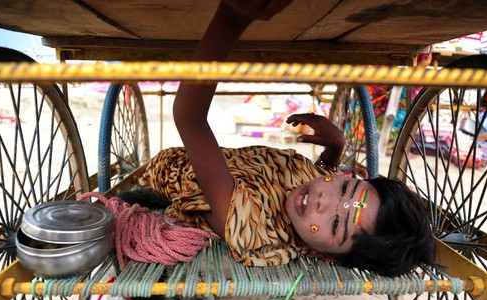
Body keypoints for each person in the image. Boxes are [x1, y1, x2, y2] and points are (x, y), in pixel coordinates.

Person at [136, 0, 435, 277]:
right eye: (345, 187)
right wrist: (335, 147)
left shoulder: (251, 225)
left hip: (173, 165)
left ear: (325, 256)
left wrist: (232, 18)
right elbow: (328, 178)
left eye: (334, 224)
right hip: (232, 162)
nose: (322, 200)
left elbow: (189, 118)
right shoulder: (313, 196)